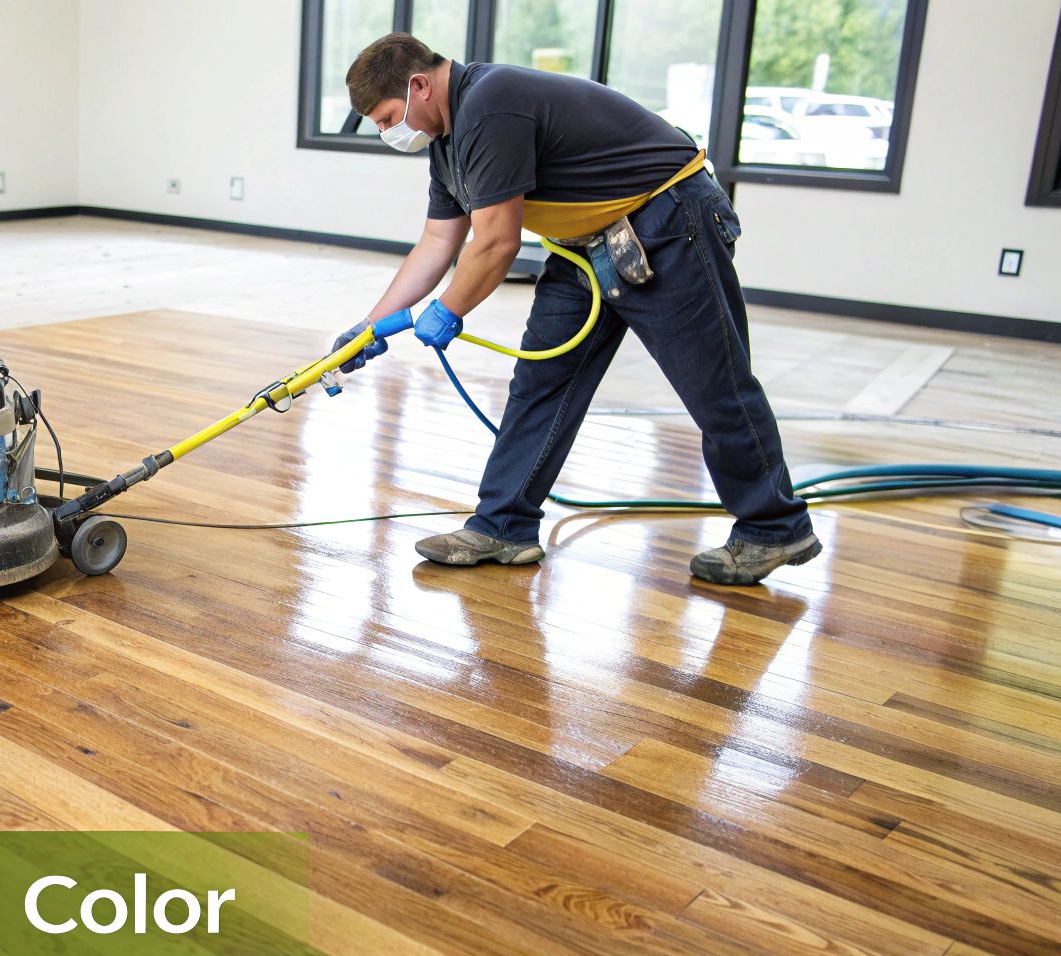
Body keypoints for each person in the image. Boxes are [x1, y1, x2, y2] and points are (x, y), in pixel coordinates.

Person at [331, 33, 819, 586]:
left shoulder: (492, 104)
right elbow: (438, 242)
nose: (389, 132)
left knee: (714, 383)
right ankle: (503, 525)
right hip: (585, 244)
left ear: (419, 85)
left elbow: (495, 244)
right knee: (541, 381)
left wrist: (449, 309)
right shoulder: (447, 141)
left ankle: (774, 525)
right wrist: (370, 326)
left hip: (667, 222)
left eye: (388, 117)